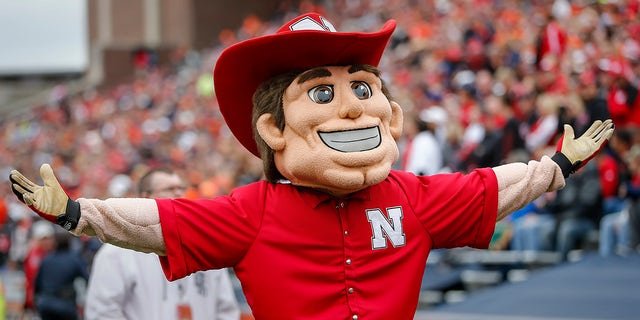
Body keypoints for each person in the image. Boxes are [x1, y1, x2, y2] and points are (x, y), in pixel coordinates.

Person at [9, 13, 614, 320]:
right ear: (274, 129)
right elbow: (161, 222)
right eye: (321, 94)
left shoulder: (413, 197)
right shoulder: (251, 212)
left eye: (361, 88)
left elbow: (489, 189)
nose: (352, 109)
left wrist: (556, 165)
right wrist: (74, 212)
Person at [84, 167, 240, 320]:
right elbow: (102, 312)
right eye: (169, 188)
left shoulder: (204, 244)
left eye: (181, 188)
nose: (179, 193)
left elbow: (226, 309)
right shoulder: (115, 252)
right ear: (146, 199)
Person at [33, 231, 88, 320]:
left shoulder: (47, 259)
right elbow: (87, 279)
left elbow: (37, 285)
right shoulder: (74, 259)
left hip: (46, 305)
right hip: (65, 306)